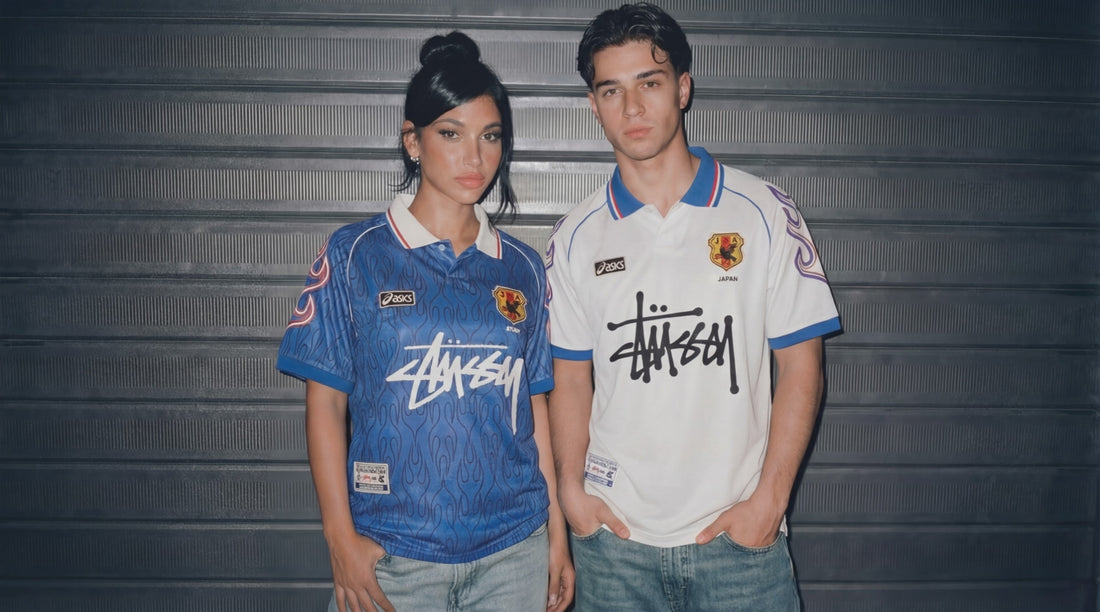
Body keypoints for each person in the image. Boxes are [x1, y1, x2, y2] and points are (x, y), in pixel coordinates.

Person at [545, 3, 842, 610]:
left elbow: (802, 365)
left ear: (683, 88)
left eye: (649, 83)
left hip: (740, 546)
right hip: (614, 546)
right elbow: (569, 379)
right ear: (593, 105)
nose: (632, 108)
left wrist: (769, 502)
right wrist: (573, 493)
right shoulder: (575, 237)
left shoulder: (762, 213)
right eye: (612, 90)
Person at [277, 31, 572, 612]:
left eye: (490, 136)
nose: (474, 158)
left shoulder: (521, 267)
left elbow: (534, 407)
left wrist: (556, 534)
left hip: (514, 552)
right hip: (393, 555)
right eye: (451, 134)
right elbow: (325, 403)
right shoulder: (355, 254)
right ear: (412, 141)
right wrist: (339, 538)